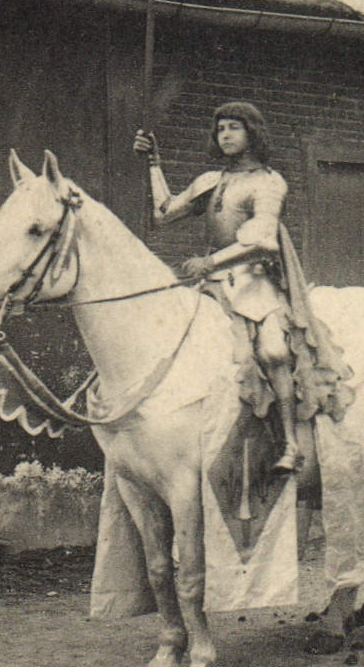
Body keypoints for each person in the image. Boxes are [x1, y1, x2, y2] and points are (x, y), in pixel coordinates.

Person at [133, 103, 350, 478]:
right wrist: (153, 164)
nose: (226, 135)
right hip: (213, 285)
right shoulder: (209, 181)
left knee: (273, 350)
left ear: (252, 133)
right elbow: (163, 213)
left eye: (235, 127)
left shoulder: (268, 182)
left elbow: (263, 239)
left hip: (254, 283)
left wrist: (211, 262)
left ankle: (289, 444)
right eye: (221, 130)